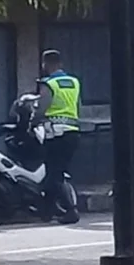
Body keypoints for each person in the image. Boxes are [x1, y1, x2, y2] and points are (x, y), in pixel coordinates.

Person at [37, 49, 81, 224]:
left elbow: (42, 107)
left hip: (55, 134)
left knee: (54, 173)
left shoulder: (48, 84)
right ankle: (47, 211)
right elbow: (78, 105)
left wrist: (34, 120)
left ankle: (71, 210)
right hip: (73, 133)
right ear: (60, 63)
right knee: (56, 172)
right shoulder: (74, 82)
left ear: (45, 64)